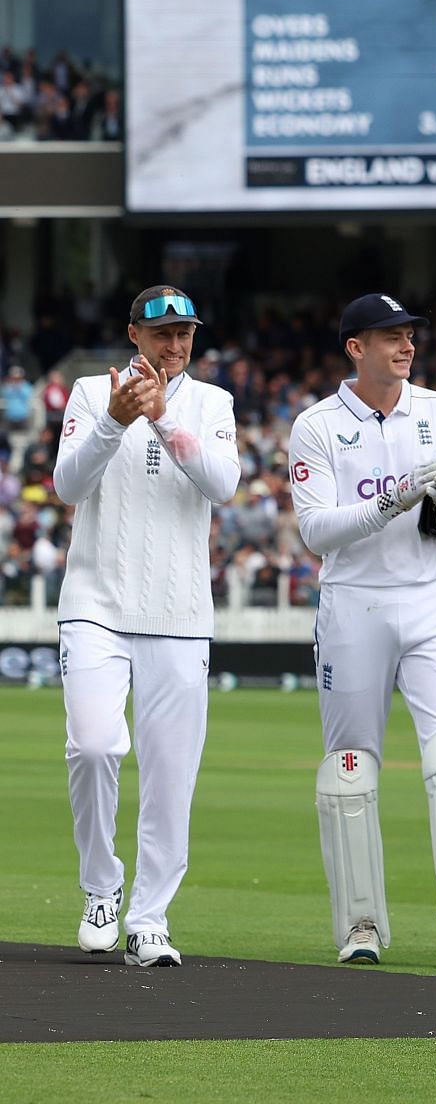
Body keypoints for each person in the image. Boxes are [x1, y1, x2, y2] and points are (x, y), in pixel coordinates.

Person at [288, 293, 436, 968]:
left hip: (433, 598)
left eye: (409, 335)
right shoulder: (317, 425)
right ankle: (360, 926)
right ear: (357, 348)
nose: (406, 346)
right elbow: (315, 529)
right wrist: (391, 498)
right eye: (390, 337)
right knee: (349, 769)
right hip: (354, 605)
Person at [52, 288, 239, 967]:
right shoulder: (87, 391)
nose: (175, 344)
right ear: (134, 334)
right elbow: (68, 485)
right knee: (96, 747)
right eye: (161, 332)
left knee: (169, 777)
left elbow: (223, 484)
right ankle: (101, 889)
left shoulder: (211, 403)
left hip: (181, 616)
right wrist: (113, 420)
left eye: (185, 331)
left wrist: (162, 422)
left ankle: (150, 917)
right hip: (96, 605)